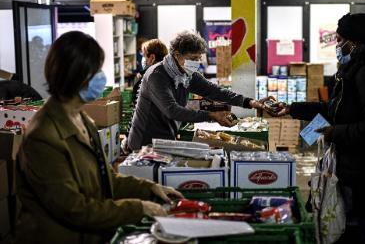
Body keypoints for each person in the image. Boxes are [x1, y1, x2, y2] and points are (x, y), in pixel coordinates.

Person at [15, 31, 184, 244]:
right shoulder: (43, 136)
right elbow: (74, 209)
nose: (101, 78)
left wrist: (148, 188)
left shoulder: (81, 118)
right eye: (95, 71)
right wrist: (138, 207)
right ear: (75, 75)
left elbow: (105, 178)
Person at [270, 13, 365, 244]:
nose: (337, 45)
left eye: (339, 40)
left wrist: (332, 133)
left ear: (354, 41)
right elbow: (337, 108)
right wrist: (292, 108)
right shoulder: (362, 67)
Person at [127, 31, 269, 150]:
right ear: (176, 55)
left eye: (198, 58)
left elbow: (215, 91)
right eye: (192, 58)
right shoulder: (156, 75)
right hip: (144, 142)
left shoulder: (186, 74)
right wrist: (211, 115)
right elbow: (172, 110)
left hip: (166, 137)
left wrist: (249, 102)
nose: (196, 63)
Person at [132, 39, 168, 107]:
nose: (143, 59)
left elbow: (137, 103)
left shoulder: (150, 77)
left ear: (152, 58)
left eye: (144, 55)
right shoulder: (168, 73)